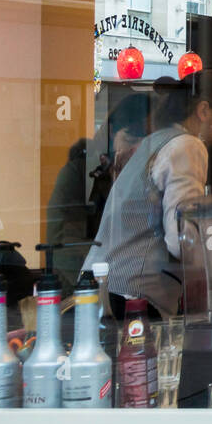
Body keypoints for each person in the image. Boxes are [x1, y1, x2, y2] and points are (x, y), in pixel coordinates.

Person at [83, 70, 212, 319]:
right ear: (203, 111)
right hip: (133, 294)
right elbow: (181, 238)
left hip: (102, 286)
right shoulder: (188, 145)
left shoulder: (155, 141)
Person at [45, 93, 150, 292]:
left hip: (131, 290)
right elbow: (64, 244)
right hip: (83, 292)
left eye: (144, 143)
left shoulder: (147, 176)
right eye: (129, 139)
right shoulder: (81, 174)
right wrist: (99, 285)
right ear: (111, 133)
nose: (136, 151)